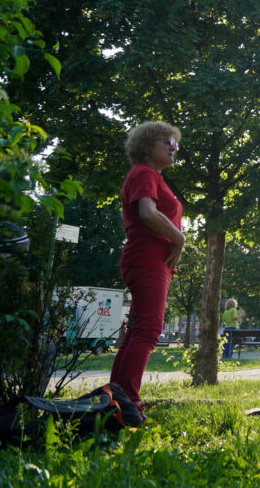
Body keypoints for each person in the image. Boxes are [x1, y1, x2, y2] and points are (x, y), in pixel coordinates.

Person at [110, 121, 184, 415]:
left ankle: (115, 400)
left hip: (150, 260)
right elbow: (147, 213)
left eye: (176, 143)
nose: (173, 147)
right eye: (167, 141)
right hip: (146, 259)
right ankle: (127, 405)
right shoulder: (143, 172)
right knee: (149, 331)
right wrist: (178, 237)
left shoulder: (151, 176)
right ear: (146, 145)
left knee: (137, 332)